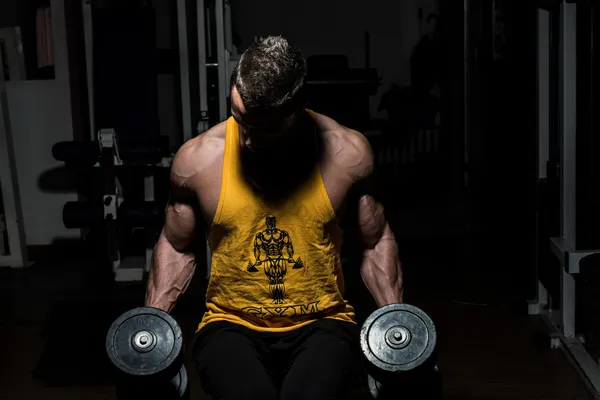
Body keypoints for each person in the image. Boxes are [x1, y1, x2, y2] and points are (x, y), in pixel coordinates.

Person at [145, 35, 403, 400]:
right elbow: (176, 245)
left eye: (262, 129)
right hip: (229, 323)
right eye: (239, 120)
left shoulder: (348, 155)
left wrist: (396, 322)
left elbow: (375, 242)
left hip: (324, 323)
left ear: (297, 108)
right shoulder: (197, 161)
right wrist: (151, 328)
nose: (247, 139)